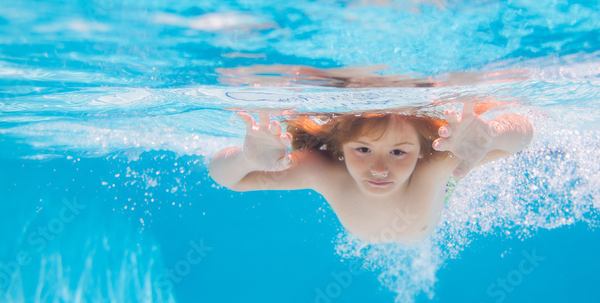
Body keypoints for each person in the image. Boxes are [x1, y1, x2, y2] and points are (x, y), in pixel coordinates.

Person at [208, 103, 534, 244]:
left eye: (398, 152)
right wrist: (248, 158)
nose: (379, 168)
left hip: (433, 198)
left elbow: (523, 136)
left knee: (462, 158)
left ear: (421, 151)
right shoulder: (324, 170)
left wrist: (493, 132)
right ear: (339, 148)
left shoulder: (438, 162)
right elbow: (227, 178)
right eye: (362, 150)